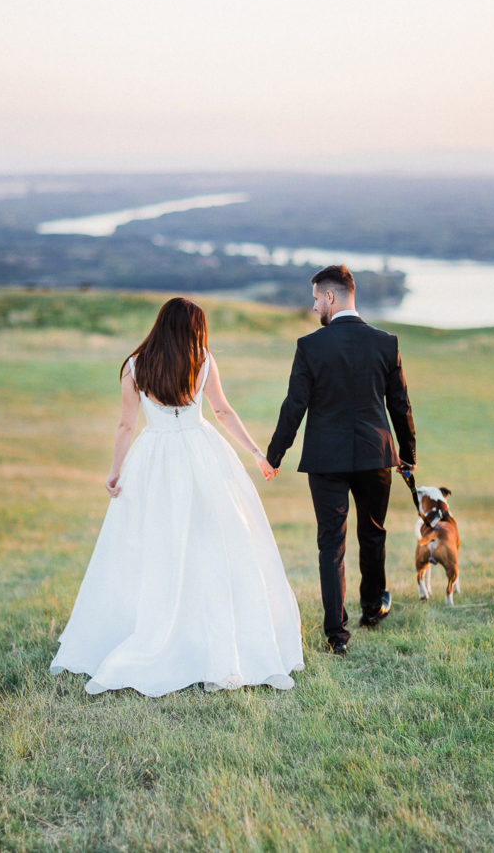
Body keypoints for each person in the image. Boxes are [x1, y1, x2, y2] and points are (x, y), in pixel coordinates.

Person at [50, 297, 303, 696]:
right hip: (202, 455)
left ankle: (160, 628)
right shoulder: (202, 359)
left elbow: (125, 424)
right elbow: (222, 412)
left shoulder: (135, 364)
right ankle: (204, 638)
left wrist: (115, 471)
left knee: (153, 546)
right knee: (212, 545)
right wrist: (255, 453)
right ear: (192, 329)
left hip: (154, 458)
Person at [267, 265, 416, 655]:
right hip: (375, 455)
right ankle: (371, 609)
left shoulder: (310, 346)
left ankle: (337, 635)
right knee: (373, 533)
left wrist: (274, 454)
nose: (314, 306)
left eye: (316, 298)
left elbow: (294, 406)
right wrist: (409, 454)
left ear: (331, 297)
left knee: (330, 544)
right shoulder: (386, 342)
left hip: (326, 460)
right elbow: (400, 405)